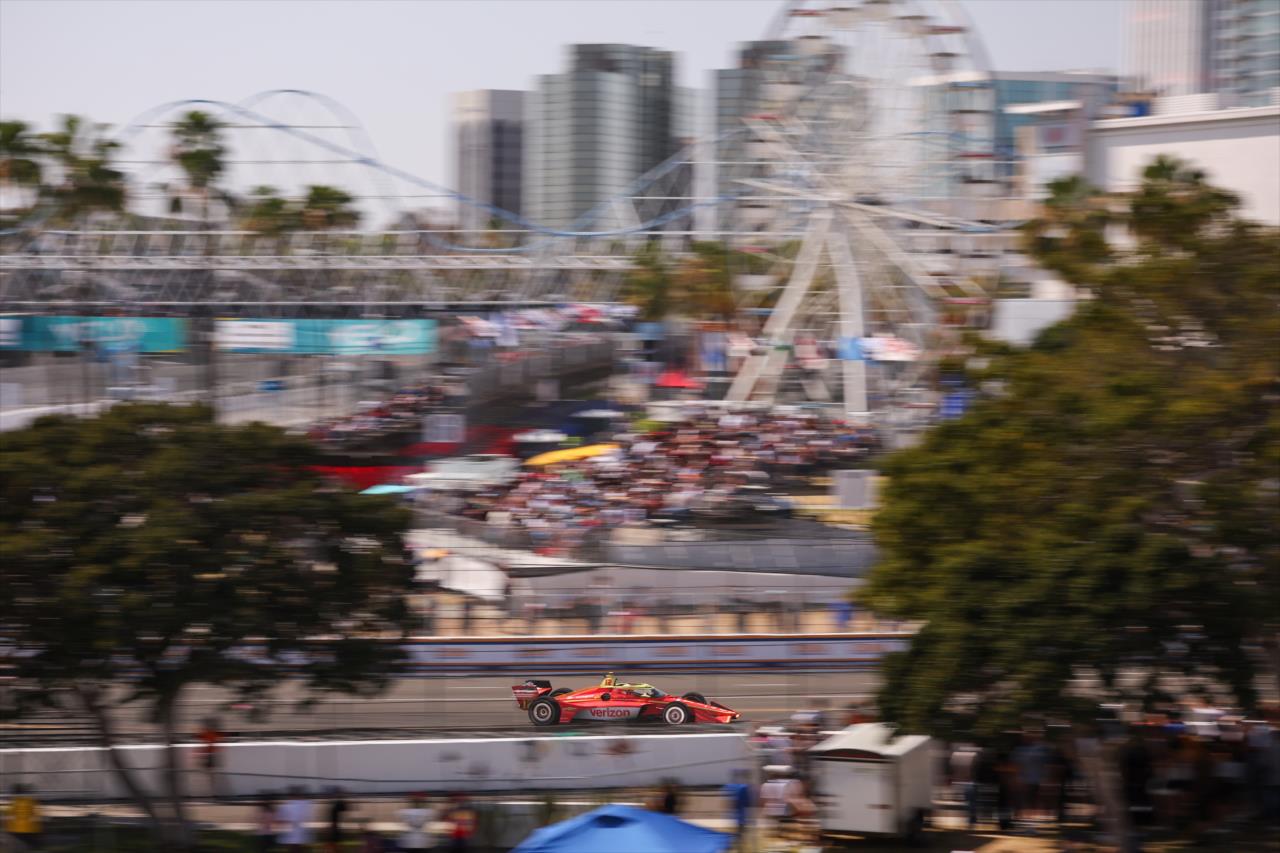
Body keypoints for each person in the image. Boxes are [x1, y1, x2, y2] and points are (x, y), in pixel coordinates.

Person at [722, 769, 754, 852]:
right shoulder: (744, 787)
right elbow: (748, 803)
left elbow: (726, 802)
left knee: (734, 834)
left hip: (731, 815)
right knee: (741, 834)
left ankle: (731, 847)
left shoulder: (728, 786)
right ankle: (737, 848)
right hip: (741, 816)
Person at [276, 787, 314, 852]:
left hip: (293, 833)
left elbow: (280, 820)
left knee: (294, 848)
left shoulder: (286, 806)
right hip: (298, 833)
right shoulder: (305, 804)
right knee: (297, 847)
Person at [4, 784, 41, 851]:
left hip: (16, 828)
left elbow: (9, 814)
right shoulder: (31, 801)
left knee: (19, 846)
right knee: (26, 846)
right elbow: (36, 814)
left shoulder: (14, 801)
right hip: (28, 828)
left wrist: (8, 826)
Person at [196, 717, 225, 797]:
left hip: (210, 755)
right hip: (210, 754)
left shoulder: (209, 733)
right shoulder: (210, 733)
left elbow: (203, 740)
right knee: (210, 774)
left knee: (210, 774)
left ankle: (212, 792)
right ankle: (212, 792)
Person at [325, 787, 349, 852]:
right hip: (334, 825)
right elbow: (344, 808)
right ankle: (333, 849)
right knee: (333, 843)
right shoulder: (336, 803)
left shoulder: (338, 803)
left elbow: (344, 808)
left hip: (335, 826)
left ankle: (333, 849)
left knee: (334, 842)